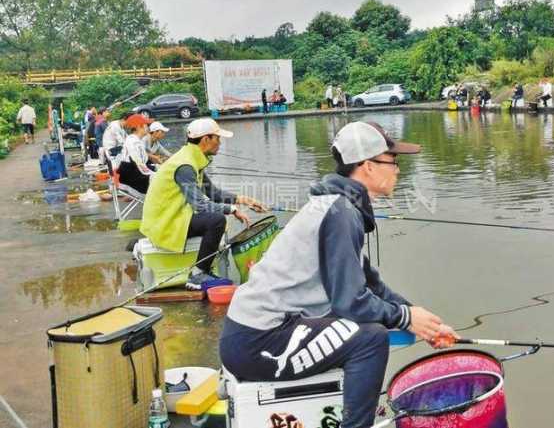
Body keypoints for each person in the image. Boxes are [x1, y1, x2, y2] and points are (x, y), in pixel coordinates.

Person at [220, 121, 458, 428]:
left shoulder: (340, 206)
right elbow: (351, 303)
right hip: (258, 341)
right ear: (368, 167)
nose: (398, 169)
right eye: (393, 161)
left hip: (257, 334)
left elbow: (372, 287)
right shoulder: (340, 213)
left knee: (370, 325)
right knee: (369, 339)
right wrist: (404, 317)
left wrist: (423, 321)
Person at [140, 118, 268, 290]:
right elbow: (200, 204)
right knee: (216, 220)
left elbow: (212, 193)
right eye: (217, 138)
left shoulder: (192, 158)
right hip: (165, 223)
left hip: (172, 217)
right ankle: (198, 274)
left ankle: (203, 271)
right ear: (206, 139)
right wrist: (232, 209)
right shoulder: (185, 165)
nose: (220, 143)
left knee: (215, 217)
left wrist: (244, 200)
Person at [118, 114, 155, 194]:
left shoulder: (135, 140)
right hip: (131, 178)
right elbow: (139, 165)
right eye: (146, 125)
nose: (148, 127)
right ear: (138, 127)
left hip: (133, 173)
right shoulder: (133, 142)